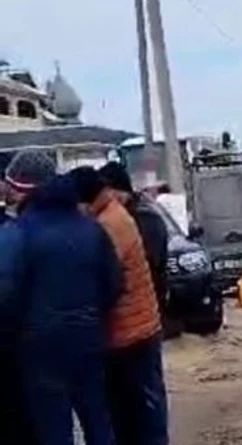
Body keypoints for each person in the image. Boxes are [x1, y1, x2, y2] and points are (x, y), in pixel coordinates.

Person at [0, 152, 122, 445]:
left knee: (54, 429)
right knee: (98, 422)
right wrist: (91, 315)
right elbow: (114, 284)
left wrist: (11, 339)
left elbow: (5, 295)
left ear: (22, 189)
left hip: (39, 348)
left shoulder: (15, 233)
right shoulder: (91, 228)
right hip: (89, 339)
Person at [70, 166, 169, 445]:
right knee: (141, 410)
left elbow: (105, 280)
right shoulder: (112, 215)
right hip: (137, 329)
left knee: (138, 414)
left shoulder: (109, 225)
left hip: (129, 334)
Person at [99, 162, 170, 316]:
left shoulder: (145, 218)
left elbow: (151, 263)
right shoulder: (121, 215)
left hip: (148, 305)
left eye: (109, 192)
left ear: (121, 191)